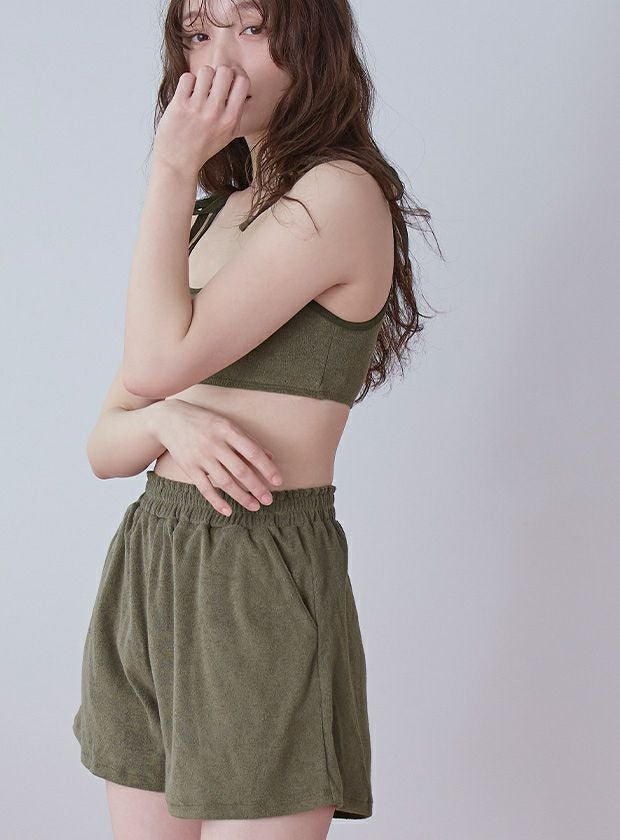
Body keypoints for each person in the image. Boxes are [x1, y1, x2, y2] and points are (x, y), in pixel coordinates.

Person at [72, 1, 440, 838]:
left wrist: (171, 168)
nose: (218, 61)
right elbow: (106, 443)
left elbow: (153, 366)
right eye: (198, 34)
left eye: (250, 27)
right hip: (151, 559)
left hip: (256, 568)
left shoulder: (338, 195)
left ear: (311, 38)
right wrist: (170, 425)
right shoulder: (212, 216)